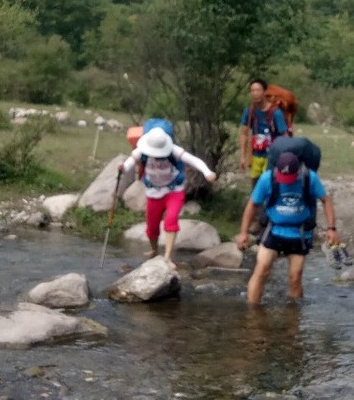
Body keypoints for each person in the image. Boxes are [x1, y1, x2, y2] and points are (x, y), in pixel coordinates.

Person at [236, 150, 338, 304]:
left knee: (295, 276)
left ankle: (293, 320)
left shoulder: (309, 178)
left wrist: (331, 229)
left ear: (297, 171)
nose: (286, 181)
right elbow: (252, 205)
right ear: (276, 170)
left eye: (290, 178)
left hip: (299, 232)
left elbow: (326, 200)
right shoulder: (267, 179)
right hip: (273, 229)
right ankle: (252, 316)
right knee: (262, 270)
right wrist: (243, 232)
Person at [118, 124, 215, 262]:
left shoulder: (173, 150)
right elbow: (129, 162)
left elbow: (193, 160)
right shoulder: (142, 151)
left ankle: (167, 257)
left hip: (173, 190)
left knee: (171, 220)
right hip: (153, 192)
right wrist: (123, 167)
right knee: (152, 226)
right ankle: (154, 250)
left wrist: (207, 172)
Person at [237, 78, 289, 186]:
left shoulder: (276, 113)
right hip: (256, 156)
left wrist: (285, 159)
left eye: (258, 90)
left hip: (272, 156)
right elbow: (244, 133)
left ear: (265, 92)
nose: (255, 93)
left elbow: (285, 136)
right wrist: (242, 156)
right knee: (256, 187)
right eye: (252, 90)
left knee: (268, 185)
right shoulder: (250, 111)